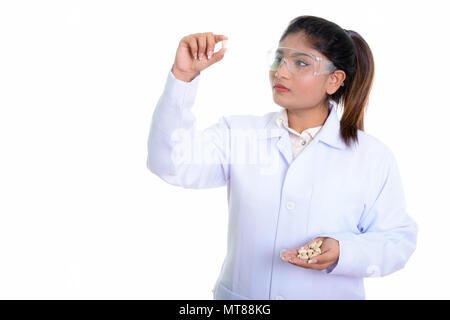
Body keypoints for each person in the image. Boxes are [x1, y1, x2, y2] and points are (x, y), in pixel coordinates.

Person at [146, 15, 418, 300]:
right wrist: (182, 77)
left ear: (334, 80)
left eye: (301, 63)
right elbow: (170, 163)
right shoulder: (238, 134)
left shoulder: (372, 157)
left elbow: (397, 241)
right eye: (278, 59)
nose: (281, 72)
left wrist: (343, 250)